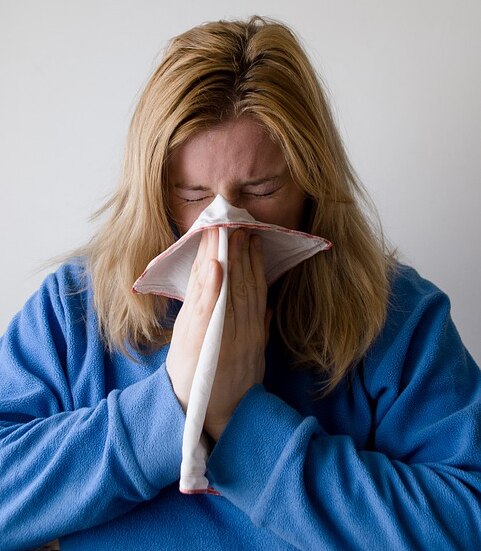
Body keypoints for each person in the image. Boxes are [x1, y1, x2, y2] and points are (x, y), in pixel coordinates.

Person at [1, 16, 480, 551]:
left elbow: (467, 518)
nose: (224, 222)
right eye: (192, 194)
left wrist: (241, 425)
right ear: (154, 191)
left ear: (311, 183)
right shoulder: (75, 309)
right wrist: (173, 405)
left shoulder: (394, 315)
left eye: (261, 189)